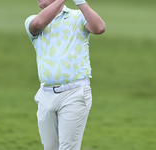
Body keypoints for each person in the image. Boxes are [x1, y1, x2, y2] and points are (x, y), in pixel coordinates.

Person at [25, 0, 105, 149]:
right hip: (45, 95)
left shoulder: (78, 16)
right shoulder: (32, 20)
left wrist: (80, 2)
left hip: (74, 93)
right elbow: (37, 26)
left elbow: (99, 28)